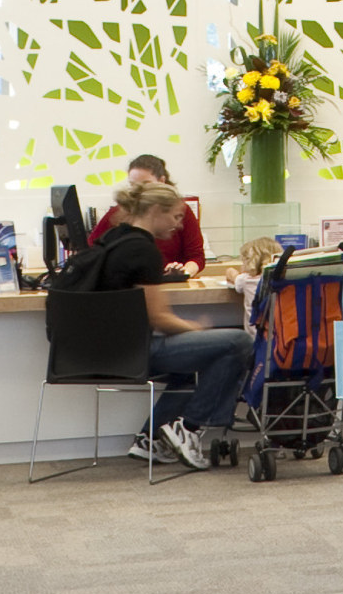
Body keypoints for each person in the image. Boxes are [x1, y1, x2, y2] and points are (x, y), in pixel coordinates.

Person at [52, 179, 251, 468]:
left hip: (85, 355)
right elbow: (161, 320)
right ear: (156, 211)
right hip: (129, 355)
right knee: (238, 342)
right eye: (175, 216)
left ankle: (151, 439)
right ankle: (190, 428)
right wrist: (199, 329)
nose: (179, 225)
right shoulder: (143, 252)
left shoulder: (114, 239)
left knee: (197, 363)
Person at [118, 156, 205, 271]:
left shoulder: (182, 208)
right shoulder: (143, 247)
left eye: (146, 184)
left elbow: (196, 256)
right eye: (133, 185)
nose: (178, 224)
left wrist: (183, 272)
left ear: (161, 181)